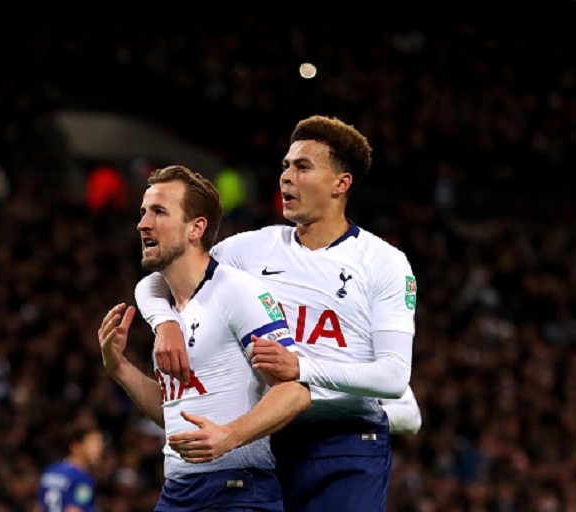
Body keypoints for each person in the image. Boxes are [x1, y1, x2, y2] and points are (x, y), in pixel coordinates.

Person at [134, 115, 418, 511]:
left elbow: (392, 375)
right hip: (267, 441)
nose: (286, 177)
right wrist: (163, 322)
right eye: (285, 165)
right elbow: (163, 273)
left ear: (342, 183)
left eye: (302, 167)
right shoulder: (247, 251)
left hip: (346, 443)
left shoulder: (384, 262)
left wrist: (301, 369)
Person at [98, 165, 311, 511]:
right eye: (143, 212)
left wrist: (231, 436)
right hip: (178, 490)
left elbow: (296, 392)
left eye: (159, 212)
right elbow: (174, 413)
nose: (143, 224)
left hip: (237, 490)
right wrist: (120, 368)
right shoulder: (167, 306)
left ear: (196, 228)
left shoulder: (238, 292)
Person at [33, 424, 104, 512]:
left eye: (99, 444)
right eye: (93, 444)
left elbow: (39, 508)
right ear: (76, 447)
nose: (99, 449)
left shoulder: (50, 471)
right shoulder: (82, 478)